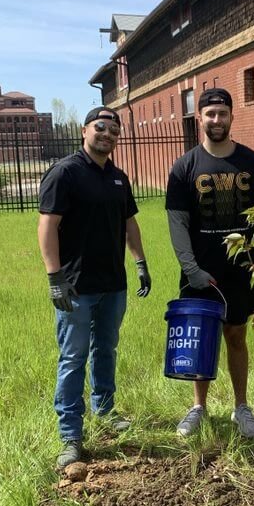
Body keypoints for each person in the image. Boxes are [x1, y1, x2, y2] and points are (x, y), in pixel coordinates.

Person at [38, 107, 151, 468]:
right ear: (84, 130)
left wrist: (140, 262)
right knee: (73, 358)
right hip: (75, 287)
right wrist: (54, 278)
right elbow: (47, 226)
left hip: (112, 285)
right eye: (100, 127)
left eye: (114, 131)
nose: (107, 134)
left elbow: (129, 223)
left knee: (107, 348)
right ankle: (71, 435)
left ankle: (104, 409)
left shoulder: (118, 177)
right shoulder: (65, 173)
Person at [166, 87, 254, 438]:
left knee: (236, 336)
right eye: (210, 114)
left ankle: (241, 406)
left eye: (222, 113)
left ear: (232, 116)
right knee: (201, 339)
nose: (216, 120)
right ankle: (199, 407)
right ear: (200, 119)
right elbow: (178, 223)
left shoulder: (253, 163)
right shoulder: (185, 166)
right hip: (202, 272)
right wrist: (191, 268)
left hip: (244, 270)